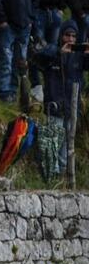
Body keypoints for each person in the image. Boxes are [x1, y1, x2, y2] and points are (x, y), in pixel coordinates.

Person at [34, 20, 89, 175]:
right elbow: (37, 58)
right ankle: (50, 177)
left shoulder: (79, 56)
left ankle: (64, 178)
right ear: (61, 35)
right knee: (52, 145)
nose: (70, 39)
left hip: (72, 108)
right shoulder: (53, 50)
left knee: (66, 146)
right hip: (54, 106)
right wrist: (59, 53)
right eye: (67, 35)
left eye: (73, 36)